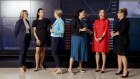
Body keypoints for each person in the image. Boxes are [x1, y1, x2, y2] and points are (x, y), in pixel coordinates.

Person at [68, 9, 90, 73]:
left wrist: (89, 31)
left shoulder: (83, 21)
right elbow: (73, 29)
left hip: (83, 38)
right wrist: (80, 30)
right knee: (74, 52)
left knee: (81, 52)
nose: (85, 13)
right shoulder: (74, 20)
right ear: (79, 13)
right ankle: (70, 68)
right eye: (83, 12)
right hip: (76, 38)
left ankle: (80, 68)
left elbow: (85, 29)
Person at [111, 8, 130, 78]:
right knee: (118, 55)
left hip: (123, 41)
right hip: (117, 40)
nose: (117, 14)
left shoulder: (125, 21)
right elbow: (115, 29)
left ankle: (125, 71)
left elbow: (122, 30)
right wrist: (112, 32)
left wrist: (114, 34)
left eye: (118, 12)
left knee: (123, 55)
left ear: (123, 13)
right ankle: (120, 69)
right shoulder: (118, 20)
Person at [50, 9, 64, 74]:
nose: (54, 14)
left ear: (57, 13)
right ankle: (58, 66)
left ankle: (59, 68)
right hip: (55, 38)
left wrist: (53, 31)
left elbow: (62, 31)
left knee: (54, 53)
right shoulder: (57, 20)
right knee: (56, 53)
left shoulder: (60, 21)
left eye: (54, 13)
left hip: (56, 38)